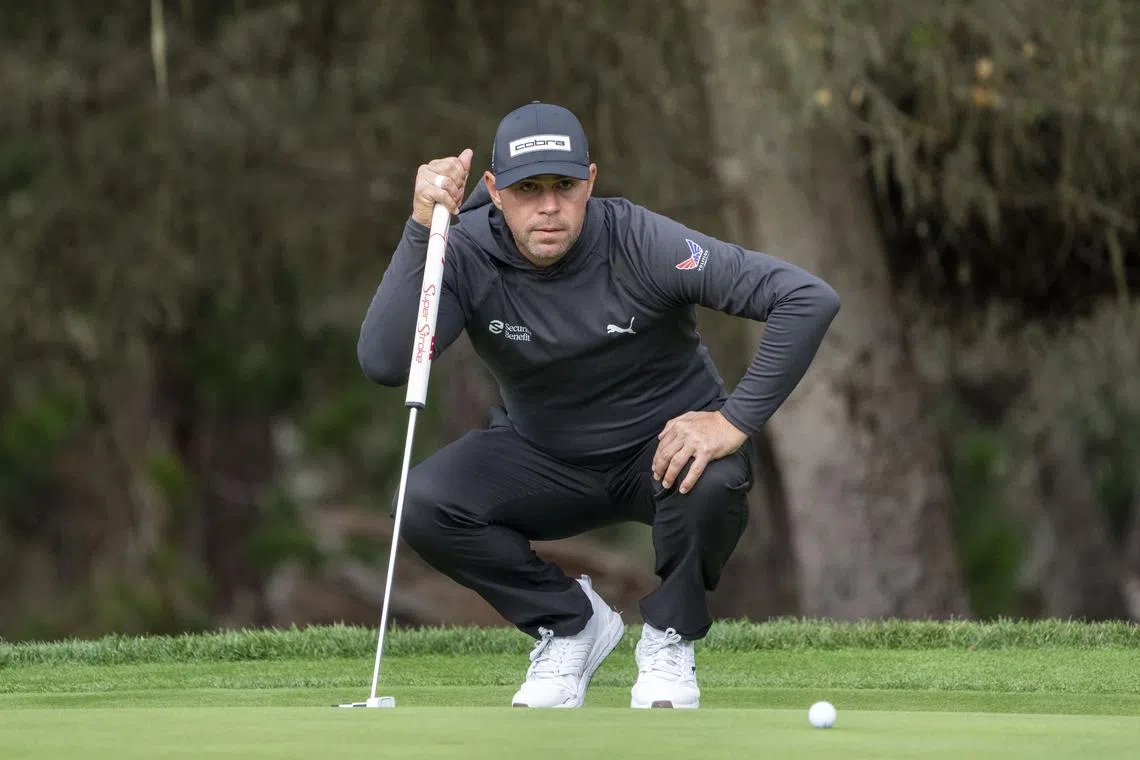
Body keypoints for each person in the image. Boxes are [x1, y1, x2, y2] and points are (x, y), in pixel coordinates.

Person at [357, 101, 839, 710]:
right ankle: (569, 626)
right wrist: (424, 227)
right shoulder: (467, 251)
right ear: (494, 191)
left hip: (662, 456)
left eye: (563, 186)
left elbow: (805, 298)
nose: (549, 206)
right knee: (424, 502)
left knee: (716, 478)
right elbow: (385, 362)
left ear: (590, 181)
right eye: (527, 189)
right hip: (543, 459)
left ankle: (670, 638)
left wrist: (731, 421)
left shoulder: (642, 241)